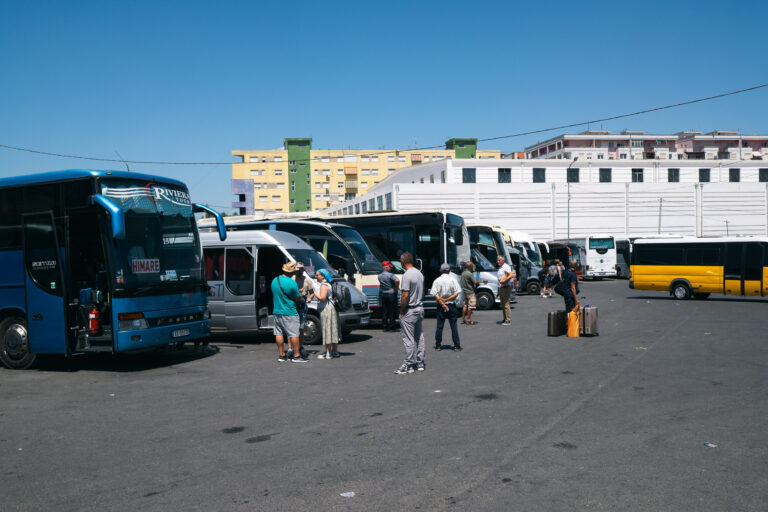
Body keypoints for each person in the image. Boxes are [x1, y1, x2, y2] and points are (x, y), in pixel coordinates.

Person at [394, 252, 425, 374]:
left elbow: (405, 295)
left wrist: (401, 310)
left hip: (410, 309)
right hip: (420, 307)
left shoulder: (407, 275)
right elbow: (422, 291)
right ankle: (420, 362)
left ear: (402, 262)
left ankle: (408, 364)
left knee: (408, 338)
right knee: (419, 336)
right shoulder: (419, 273)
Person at [271, 262, 307, 363]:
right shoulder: (292, 282)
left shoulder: (275, 280)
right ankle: (296, 356)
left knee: (278, 333)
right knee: (294, 334)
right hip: (289, 311)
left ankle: (282, 355)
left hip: (277, 310)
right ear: (292, 272)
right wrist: (300, 294)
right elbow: (298, 298)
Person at [431, 263, 461, 351]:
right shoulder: (453, 280)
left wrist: (442, 302)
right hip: (451, 305)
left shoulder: (437, 280)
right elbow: (457, 293)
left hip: (441, 305)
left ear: (440, 270)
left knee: (440, 326)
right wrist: (447, 299)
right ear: (449, 271)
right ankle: (457, 345)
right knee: (454, 326)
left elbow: (435, 294)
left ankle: (438, 345)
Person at [313, 269, 339, 359]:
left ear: (323, 276)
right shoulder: (330, 284)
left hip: (326, 309)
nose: (316, 276)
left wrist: (314, 294)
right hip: (331, 308)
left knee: (327, 330)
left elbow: (322, 298)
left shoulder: (324, 285)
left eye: (317, 275)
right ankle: (335, 351)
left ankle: (328, 353)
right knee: (333, 330)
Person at [292, 262, 313, 359]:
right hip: (293, 302)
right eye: (297, 270)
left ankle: (301, 346)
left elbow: (312, 293)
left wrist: (309, 298)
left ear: (303, 270)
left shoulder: (307, 280)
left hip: (302, 301)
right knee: (291, 327)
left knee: (301, 327)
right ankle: (291, 348)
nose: (298, 271)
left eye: (300, 270)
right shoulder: (292, 279)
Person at [378, 261, 400, 332]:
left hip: (383, 294)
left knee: (385, 311)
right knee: (392, 310)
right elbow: (397, 280)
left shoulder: (379, 276)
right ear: (386, 268)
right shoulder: (390, 275)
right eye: (389, 267)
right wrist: (396, 288)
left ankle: (385, 326)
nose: (390, 268)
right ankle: (392, 326)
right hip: (391, 294)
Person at [496, 256, 515, 326]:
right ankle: (505, 319)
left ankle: (508, 320)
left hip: (506, 287)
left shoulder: (506, 266)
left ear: (503, 260)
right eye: (497, 260)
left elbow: (511, 275)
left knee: (506, 304)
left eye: (499, 260)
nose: (497, 262)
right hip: (501, 287)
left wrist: (504, 281)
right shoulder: (501, 267)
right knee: (503, 304)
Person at [460, 260, 478, 325]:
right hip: (470, 292)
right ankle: (468, 319)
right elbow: (475, 282)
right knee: (470, 306)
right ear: (470, 267)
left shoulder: (463, 273)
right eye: (472, 266)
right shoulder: (470, 274)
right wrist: (477, 282)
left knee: (465, 306)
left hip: (465, 291)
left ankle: (462, 319)